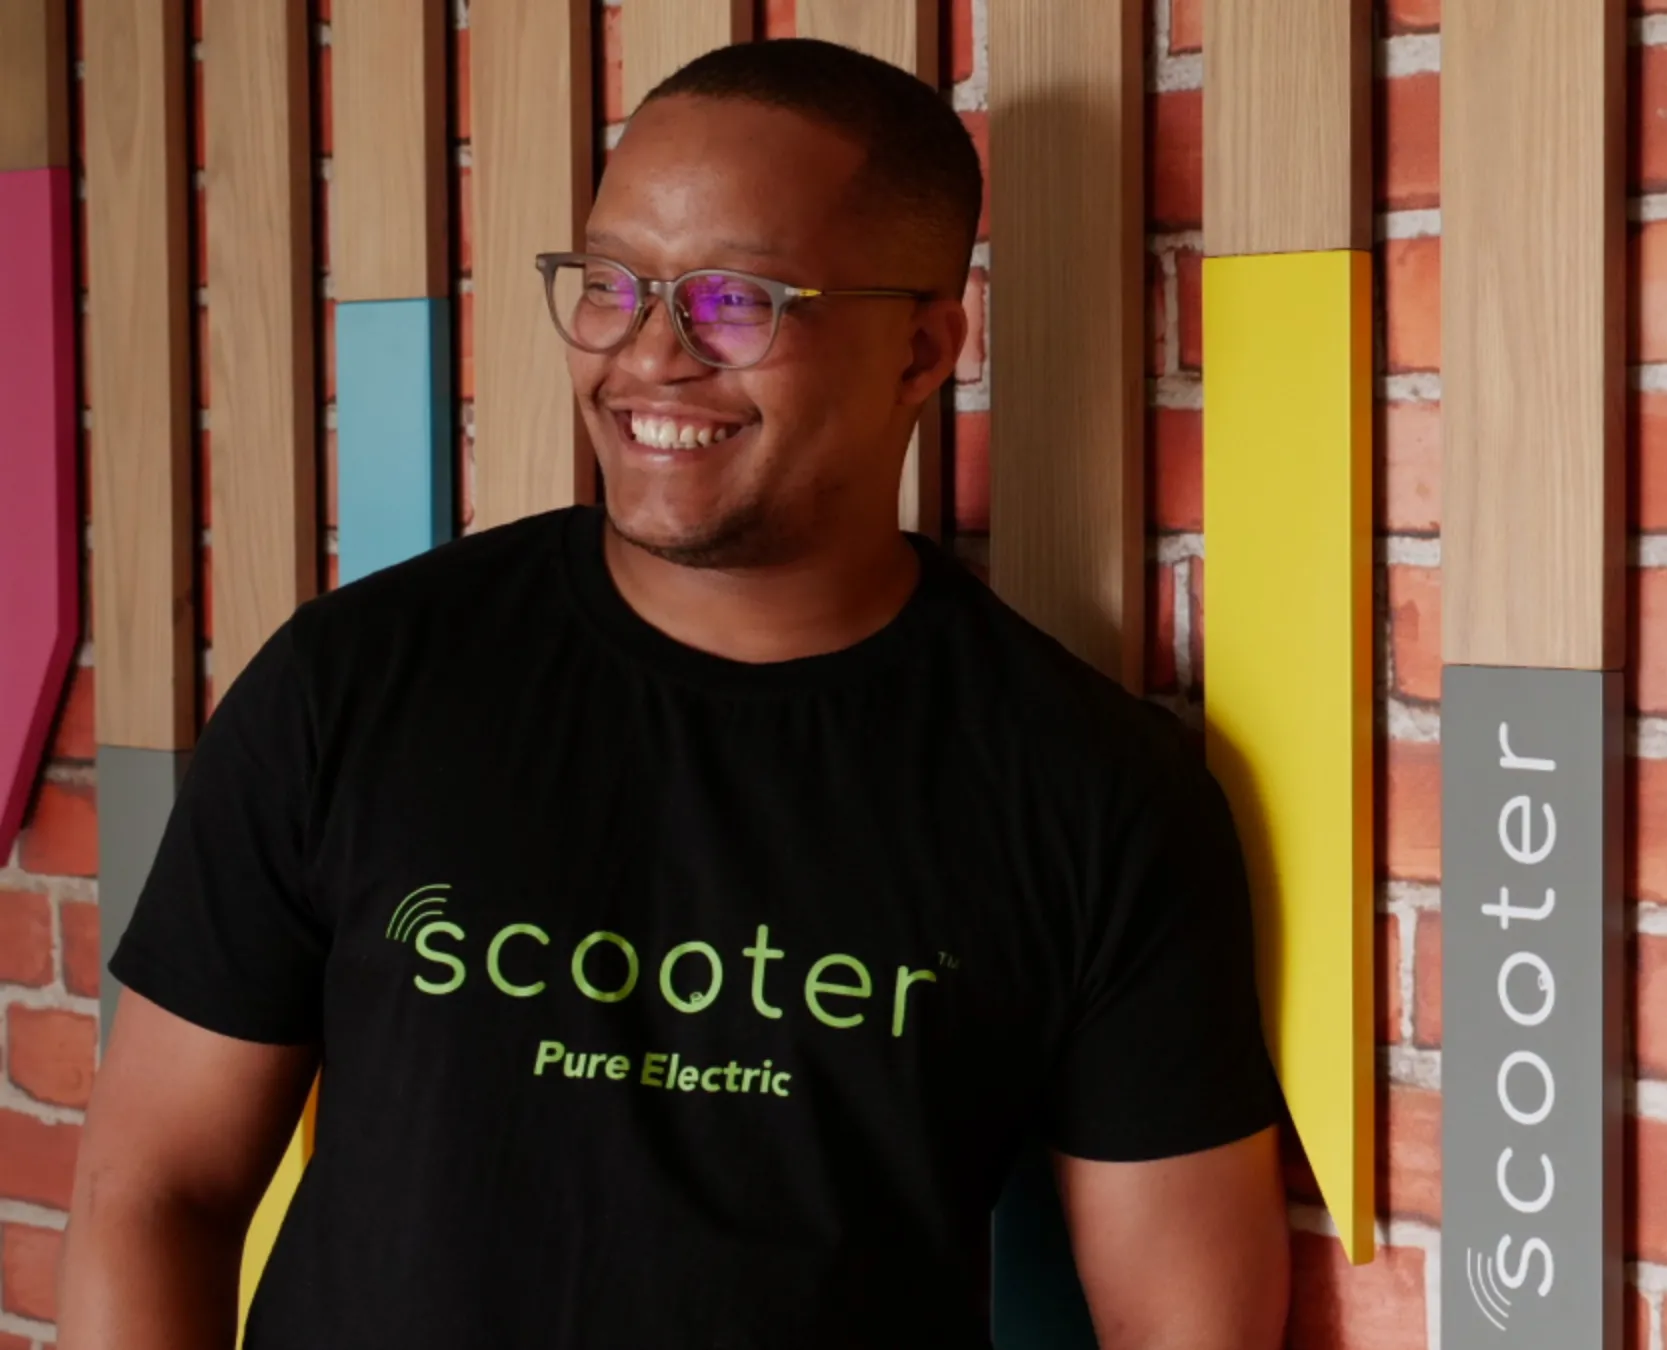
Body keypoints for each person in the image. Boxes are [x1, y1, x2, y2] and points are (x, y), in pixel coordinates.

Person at [57, 38, 1291, 1349]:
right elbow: (154, 1187)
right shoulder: (354, 684)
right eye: (610, 284)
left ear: (928, 346)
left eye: (735, 300)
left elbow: (1186, 1320)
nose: (647, 355)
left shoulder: (1092, 792)